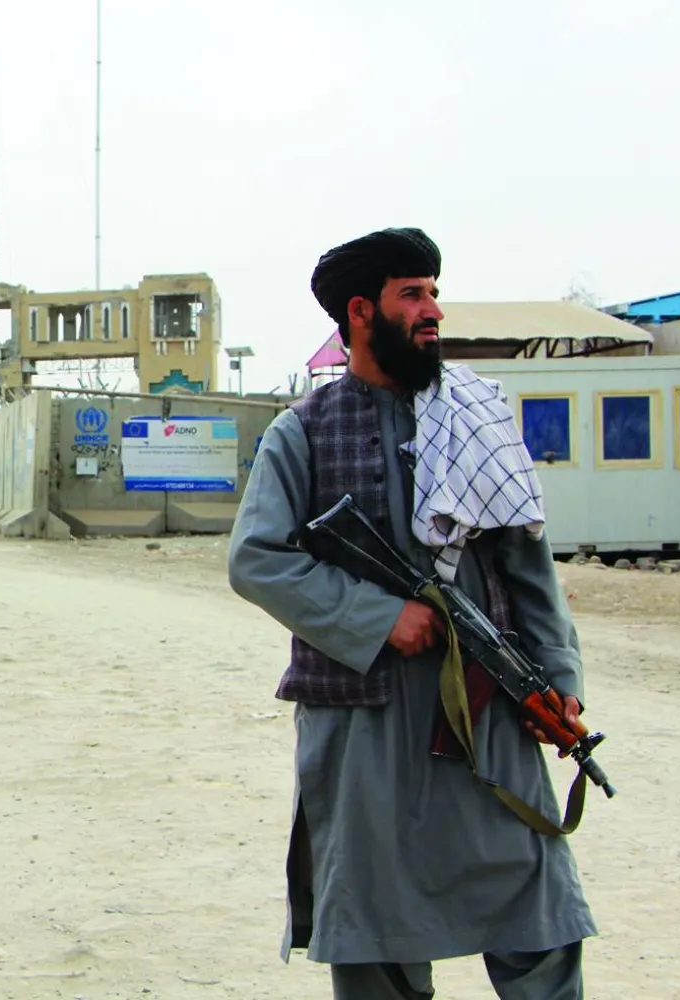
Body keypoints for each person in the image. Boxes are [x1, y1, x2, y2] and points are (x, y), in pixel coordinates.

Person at [226, 227, 596, 1000]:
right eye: (413, 294)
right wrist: (375, 617)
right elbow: (257, 559)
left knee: (539, 913)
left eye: (434, 290)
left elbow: (524, 560)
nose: (433, 310)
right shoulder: (302, 432)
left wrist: (556, 681)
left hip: (487, 710)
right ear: (362, 311)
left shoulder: (478, 417)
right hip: (365, 721)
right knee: (377, 931)